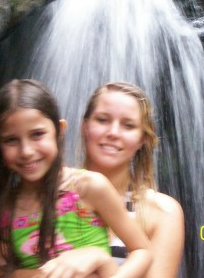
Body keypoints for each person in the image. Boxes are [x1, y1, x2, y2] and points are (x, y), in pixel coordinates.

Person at [0, 79, 152, 278]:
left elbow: (143, 251)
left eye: (37, 134)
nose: (26, 151)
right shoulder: (4, 207)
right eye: (11, 140)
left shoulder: (89, 187)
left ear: (59, 131)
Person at [80, 81, 185, 278]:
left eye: (128, 125)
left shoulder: (161, 212)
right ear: (85, 126)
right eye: (102, 120)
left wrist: (99, 260)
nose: (113, 132)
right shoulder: (49, 196)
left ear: (142, 139)